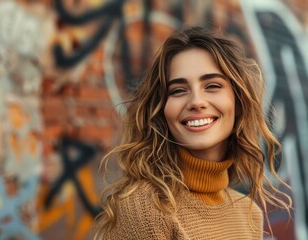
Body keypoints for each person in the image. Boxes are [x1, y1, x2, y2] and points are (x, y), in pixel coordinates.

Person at [93, 26, 292, 239]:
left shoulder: (249, 213)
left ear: (238, 102)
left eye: (212, 85)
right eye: (178, 90)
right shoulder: (146, 208)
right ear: (161, 110)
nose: (196, 101)